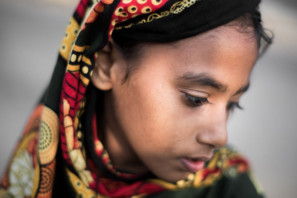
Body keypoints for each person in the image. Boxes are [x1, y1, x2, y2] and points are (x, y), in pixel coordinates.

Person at [0, 0, 272, 197]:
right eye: (196, 98)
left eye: (232, 104)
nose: (219, 135)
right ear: (105, 65)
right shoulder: (42, 170)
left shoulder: (228, 187)